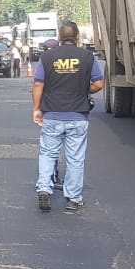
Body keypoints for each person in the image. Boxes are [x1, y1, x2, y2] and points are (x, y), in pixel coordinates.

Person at [31, 21, 104, 212]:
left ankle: (45, 189)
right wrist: (81, 89)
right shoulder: (87, 56)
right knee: (75, 158)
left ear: (59, 37)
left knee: (48, 153)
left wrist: (37, 109)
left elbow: (38, 84)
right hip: (78, 115)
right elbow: (99, 84)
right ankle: (73, 198)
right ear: (78, 37)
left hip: (52, 114)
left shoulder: (47, 57)